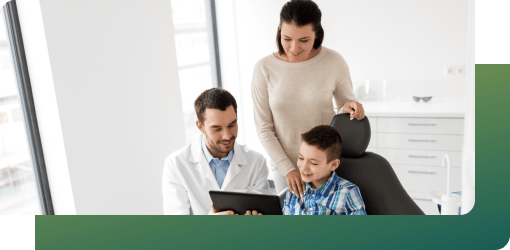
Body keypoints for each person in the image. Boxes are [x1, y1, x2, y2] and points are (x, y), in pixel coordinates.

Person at [251, 0, 365, 196]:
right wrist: (289, 169)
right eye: (287, 38)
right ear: (279, 32)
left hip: (325, 167)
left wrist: (351, 107)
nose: (294, 48)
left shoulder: (334, 62)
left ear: (317, 34)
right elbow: (264, 128)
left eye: (304, 40)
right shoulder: (263, 69)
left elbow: (345, 107)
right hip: (285, 169)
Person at [162, 88, 272, 215]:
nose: (227, 136)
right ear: (200, 126)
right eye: (217, 128)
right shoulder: (176, 164)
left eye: (232, 125)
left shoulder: (256, 162)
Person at [282, 125, 366, 215]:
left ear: (333, 165)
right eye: (301, 158)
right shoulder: (293, 190)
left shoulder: (347, 192)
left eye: (313, 163)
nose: (303, 167)